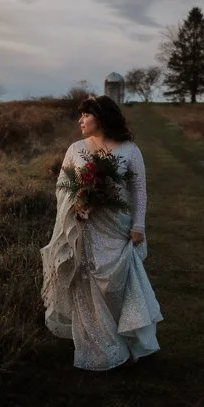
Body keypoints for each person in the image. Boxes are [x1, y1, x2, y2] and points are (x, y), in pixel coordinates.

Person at [40, 94, 163, 370]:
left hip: (117, 227)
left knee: (117, 285)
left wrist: (138, 225)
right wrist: (79, 200)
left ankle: (129, 340)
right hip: (85, 226)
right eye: (80, 115)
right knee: (86, 280)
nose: (80, 120)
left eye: (86, 115)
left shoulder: (130, 150)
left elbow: (139, 191)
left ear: (102, 117)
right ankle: (98, 348)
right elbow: (62, 185)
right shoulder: (75, 149)